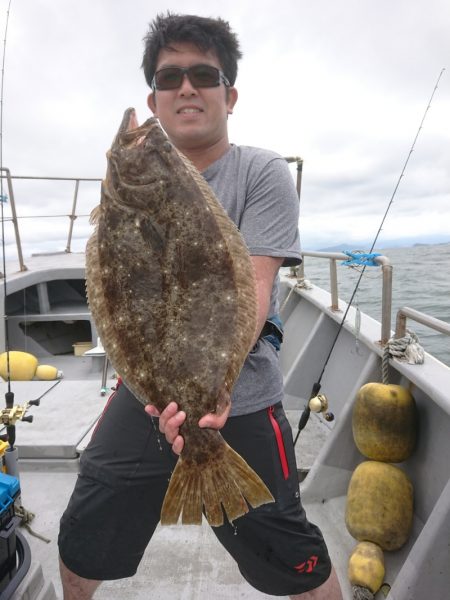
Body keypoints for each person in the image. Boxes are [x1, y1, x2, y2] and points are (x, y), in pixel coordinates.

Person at [58, 13, 343, 600]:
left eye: (203, 74)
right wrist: (167, 393)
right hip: (145, 395)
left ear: (228, 94)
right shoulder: (129, 185)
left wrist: (206, 395)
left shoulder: (261, 172)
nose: (186, 87)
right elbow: (119, 285)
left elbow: (254, 293)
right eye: (170, 78)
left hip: (243, 390)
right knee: (82, 539)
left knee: (294, 557)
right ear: (154, 99)